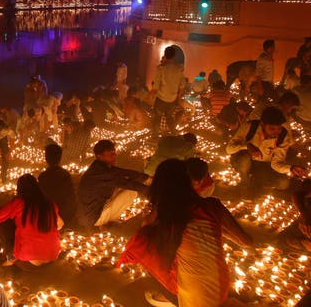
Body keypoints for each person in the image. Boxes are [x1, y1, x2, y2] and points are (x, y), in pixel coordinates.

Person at [118, 158, 253, 307]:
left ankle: (172, 297)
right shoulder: (213, 205)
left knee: (148, 246)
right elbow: (246, 242)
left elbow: (144, 229)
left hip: (195, 298)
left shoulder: (166, 214)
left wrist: (158, 206)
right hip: (221, 285)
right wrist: (215, 228)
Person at [0, 173, 63, 267]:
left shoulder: (19, 203)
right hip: (53, 253)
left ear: (19, 189)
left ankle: (11, 258)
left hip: (27, 255)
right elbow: (61, 224)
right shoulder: (49, 204)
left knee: (2, 221)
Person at [226, 106, 307, 194]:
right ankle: (245, 182)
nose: (276, 133)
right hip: (246, 161)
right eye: (272, 129)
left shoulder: (283, 136)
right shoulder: (250, 127)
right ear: (262, 124)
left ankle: (256, 180)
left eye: (279, 129)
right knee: (244, 159)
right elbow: (229, 149)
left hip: (264, 166)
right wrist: (247, 146)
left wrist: (291, 168)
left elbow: (276, 163)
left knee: (283, 183)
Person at [78, 140, 150, 229]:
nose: (115, 156)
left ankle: (106, 220)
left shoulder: (99, 167)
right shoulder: (101, 173)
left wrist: (147, 178)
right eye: (111, 154)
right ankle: (108, 223)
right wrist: (151, 191)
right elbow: (126, 183)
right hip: (93, 218)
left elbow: (124, 172)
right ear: (100, 157)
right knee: (131, 192)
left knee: (121, 187)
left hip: (88, 215)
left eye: (114, 153)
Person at [37, 143, 77, 227]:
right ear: (60, 158)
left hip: (49, 216)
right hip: (66, 215)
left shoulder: (43, 177)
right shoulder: (65, 175)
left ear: (46, 158)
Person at [151, 46, 186, 139]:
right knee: (169, 117)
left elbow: (156, 86)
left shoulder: (161, 68)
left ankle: (155, 137)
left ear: (165, 55)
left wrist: (148, 96)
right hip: (172, 99)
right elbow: (182, 85)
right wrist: (178, 98)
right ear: (174, 56)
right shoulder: (179, 69)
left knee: (157, 118)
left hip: (161, 99)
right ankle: (174, 134)